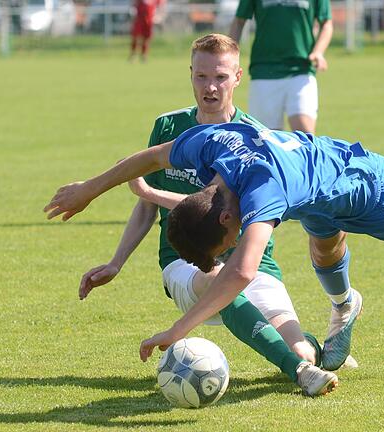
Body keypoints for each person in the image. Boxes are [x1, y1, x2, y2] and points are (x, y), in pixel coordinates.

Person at [53, 34, 337, 397]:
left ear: (237, 78)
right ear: (190, 75)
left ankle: (314, 353)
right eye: (201, 77)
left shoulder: (257, 138)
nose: (210, 87)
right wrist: (116, 262)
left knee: (303, 348)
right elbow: (145, 206)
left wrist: (153, 193)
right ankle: (300, 373)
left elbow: (230, 213)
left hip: (251, 261)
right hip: (186, 262)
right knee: (217, 278)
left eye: (220, 77)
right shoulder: (169, 128)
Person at [44, 123, 384, 372]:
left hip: (361, 183)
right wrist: (89, 190)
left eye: (224, 246)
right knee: (324, 250)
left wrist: (176, 331)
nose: (230, 249)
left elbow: (242, 272)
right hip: (311, 195)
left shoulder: (262, 192)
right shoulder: (212, 144)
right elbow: (150, 158)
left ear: (224, 220)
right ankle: (344, 306)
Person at [229, 0, 333, 133]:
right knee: (266, 140)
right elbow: (239, 21)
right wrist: (229, 58)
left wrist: (318, 51)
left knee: (305, 135)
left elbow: (326, 23)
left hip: (301, 70)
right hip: (263, 72)